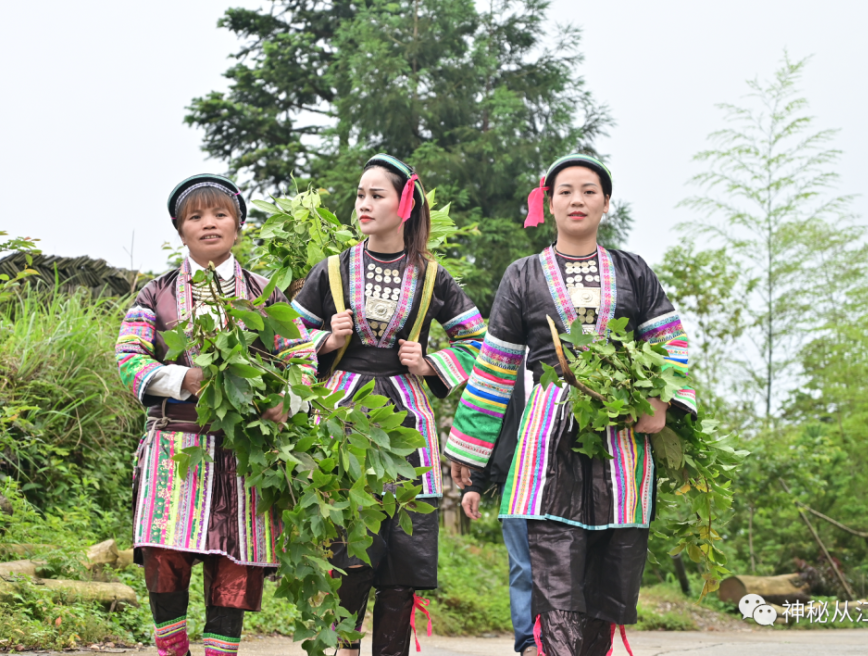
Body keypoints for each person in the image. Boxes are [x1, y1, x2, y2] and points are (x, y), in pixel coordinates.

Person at [443, 155, 696, 656]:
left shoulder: (634, 271)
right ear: (548, 202)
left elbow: (670, 343)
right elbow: (494, 368)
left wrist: (660, 403)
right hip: (548, 436)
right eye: (565, 191)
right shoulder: (522, 276)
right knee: (554, 575)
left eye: (588, 190)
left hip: (621, 438)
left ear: (606, 202)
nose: (577, 200)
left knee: (608, 576)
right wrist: (468, 452)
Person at [291, 154, 486, 656]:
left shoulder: (433, 277)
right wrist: (324, 344)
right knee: (347, 548)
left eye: (376, 195)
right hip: (343, 420)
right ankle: (343, 647)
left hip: (408, 424)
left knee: (402, 559)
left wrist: (430, 364)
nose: (363, 204)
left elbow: (481, 343)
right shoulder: (332, 270)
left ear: (404, 204)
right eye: (360, 194)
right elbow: (284, 339)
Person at [116, 174, 317, 656]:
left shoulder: (268, 295)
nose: (209, 224)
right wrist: (182, 379)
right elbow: (128, 358)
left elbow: (301, 360)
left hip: (245, 451)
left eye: (220, 214)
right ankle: (173, 648)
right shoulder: (154, 295)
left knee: (236, 560)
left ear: (239, 226)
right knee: (165, 556)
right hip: (174, 442)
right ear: (179, 229)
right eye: (196, 217)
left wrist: (285, 400)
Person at [460, 359, 537, 656]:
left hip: (564, 476)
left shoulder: (574, 347)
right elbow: (488, 421)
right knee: (522, 566)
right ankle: (529, 642)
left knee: (564, 562)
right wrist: (475, 485)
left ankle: (565, 637)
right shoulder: (508, 360)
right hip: (515, 477)